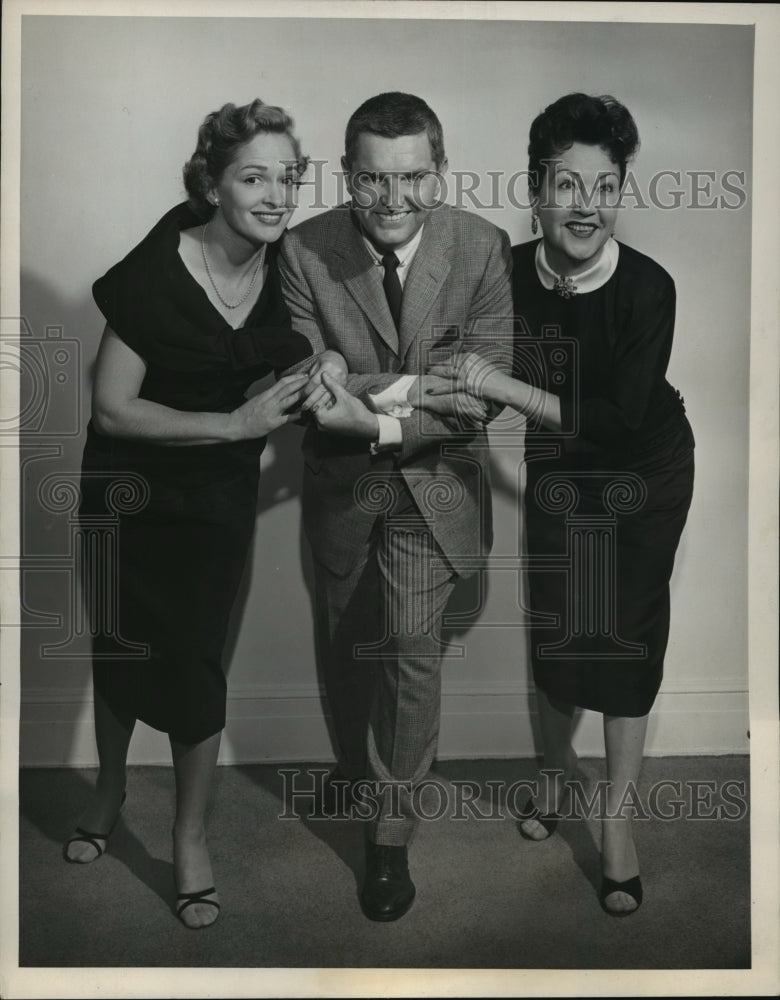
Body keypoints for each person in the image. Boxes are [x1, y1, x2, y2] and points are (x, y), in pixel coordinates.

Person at [63, 99, 345, 929]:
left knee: (196, 666)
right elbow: (112, 408)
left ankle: (190, 838)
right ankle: (110, 789)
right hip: (127, 491)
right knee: (120, 650)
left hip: (217, 498)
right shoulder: (159, 265)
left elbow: (310, 346)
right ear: (212, 183)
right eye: (252, 176)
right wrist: (239, 424)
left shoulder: (287, 266)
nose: (274, 195)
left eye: (285, 177)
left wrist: (322, 360)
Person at [423, 93, 695, 916]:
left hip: (643, 473)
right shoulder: (505, 271)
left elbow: (615, 418)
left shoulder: (650, 289)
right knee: (555, 622)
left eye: (605, 186)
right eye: (569, 186)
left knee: (623, 637)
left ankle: (615, 823)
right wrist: (434, 395)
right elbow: (478, 375)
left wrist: (503, 386)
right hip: (558, 467)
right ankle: (553, 776)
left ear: (621, 192)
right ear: (537, 189)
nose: (587, 206)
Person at [278, 91, 513, 921]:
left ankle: (389, 837)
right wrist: (420, 390)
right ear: (348, 178)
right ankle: (359, 771)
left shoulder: (483, 249)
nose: (393, 200)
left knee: (411, 651)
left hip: (436, 484)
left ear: (439, 176)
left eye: (412, 179)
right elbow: (310, 380)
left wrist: (371, 407)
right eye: (373, 181)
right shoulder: (304, 250)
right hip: (341, 488)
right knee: (347, 648)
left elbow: (481, 398)